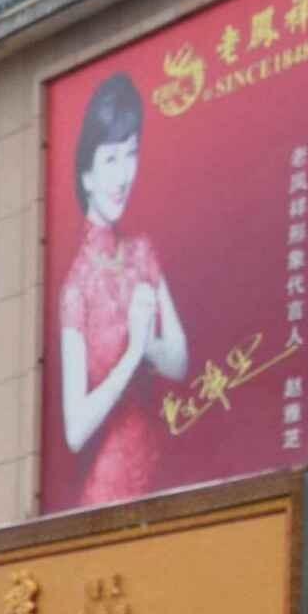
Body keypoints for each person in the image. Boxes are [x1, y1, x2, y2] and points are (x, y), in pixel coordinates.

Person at [52, 69, 189, 510]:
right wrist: (133, 355)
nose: (124, 174)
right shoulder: (76, 289)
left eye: (131, 154)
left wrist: (147, 342)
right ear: (86, 175)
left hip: (163, 473)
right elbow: (75, 431)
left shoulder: (143, 253)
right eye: (110, 159)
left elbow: (181, 361)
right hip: (109, 493)